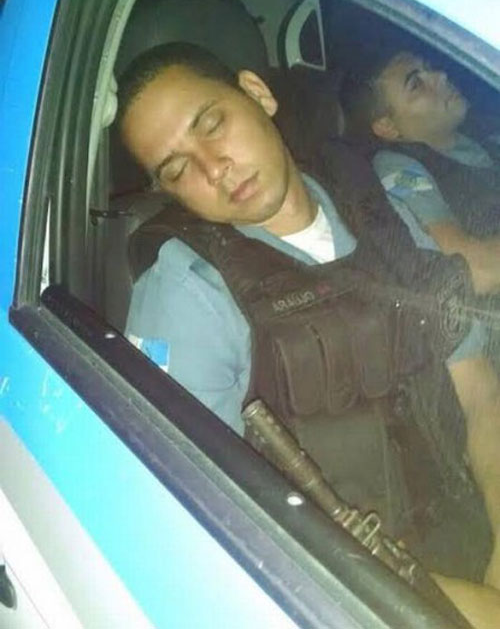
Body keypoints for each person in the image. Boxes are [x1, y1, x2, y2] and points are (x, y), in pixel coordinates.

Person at [117, 42, 500, 627]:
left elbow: (479, 394)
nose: (213, 168)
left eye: (211, 124)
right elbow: (213, 533)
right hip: (353, 597)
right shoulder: (188, 295)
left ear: (257, 94)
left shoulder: (380, 209)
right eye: (176, 169)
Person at [340, 50, 500, 296]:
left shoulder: (484, 130)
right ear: (388, 127)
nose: (441, 75)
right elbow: (472, 267)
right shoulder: (398, 168)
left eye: (429, 67)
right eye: (416, 84)